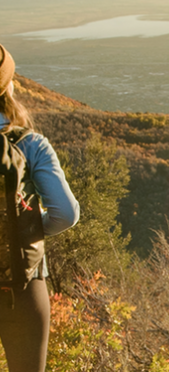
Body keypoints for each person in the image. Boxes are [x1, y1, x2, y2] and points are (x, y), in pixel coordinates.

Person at [0, 44, 80, 372]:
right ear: (8, 88)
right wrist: (23, 229)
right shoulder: (30, 144)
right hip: (23, 284)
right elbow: (66, 213)